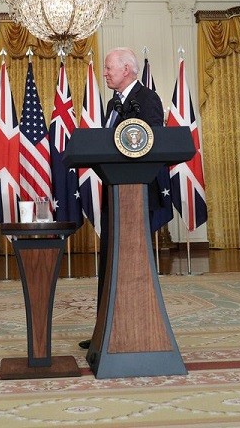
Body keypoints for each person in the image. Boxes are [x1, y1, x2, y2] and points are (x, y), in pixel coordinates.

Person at [79, 47, 164, 350]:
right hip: (114, 193)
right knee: (110, 262)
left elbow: (152, 141)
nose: (104, 74)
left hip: (136, 196)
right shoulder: (112, 104)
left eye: (108, 68)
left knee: (131, 264)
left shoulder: (147, 99)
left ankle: (136, 328)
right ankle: (105, 331)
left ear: (127, 69)